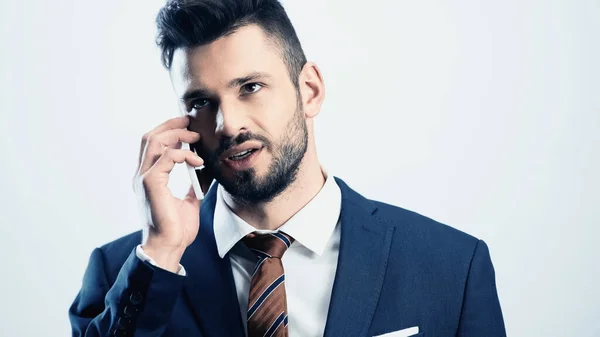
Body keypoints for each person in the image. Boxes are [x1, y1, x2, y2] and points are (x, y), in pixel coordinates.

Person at [69, 0, 506, 336]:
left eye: (251, 87)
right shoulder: (127, 273)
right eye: (201, 102)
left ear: (310, 90)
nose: (228, 124)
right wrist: (162, 253)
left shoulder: (450, 266)